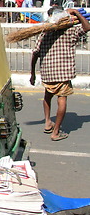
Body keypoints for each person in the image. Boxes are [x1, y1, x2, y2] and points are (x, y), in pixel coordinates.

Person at [30, 7, 90, 141]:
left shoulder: (44, 33)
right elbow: (87, 27)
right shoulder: (70, 31)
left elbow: (35, 54)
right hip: (63, 74)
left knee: (47, 96)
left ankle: (47, 123)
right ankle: (55, 132)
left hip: (47, 73)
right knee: (61, 100)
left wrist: (32, 73)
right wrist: (76, 13)